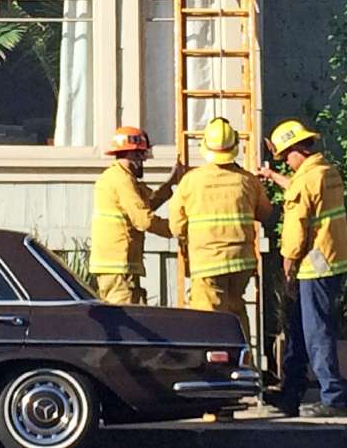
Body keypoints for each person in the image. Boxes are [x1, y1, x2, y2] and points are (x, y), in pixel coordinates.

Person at [257, 119, 347, 418]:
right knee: (298, 331)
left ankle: (333, 399)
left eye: (286, 157)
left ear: (297, 150)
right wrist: (273, 176)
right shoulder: (325, 171)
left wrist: (287, 268)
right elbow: (301, 191)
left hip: (313, 267)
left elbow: (295, 235)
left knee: (315, 333)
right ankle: (290, 394)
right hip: (332, 263)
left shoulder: (305, 180)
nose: (285, 162)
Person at [169, 118, 272, 341]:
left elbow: (176, 225)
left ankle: (214, 371)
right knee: (236, 313)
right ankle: (244, 365)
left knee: (208, 320)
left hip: (207, 264)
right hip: (241, 263)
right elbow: (264, 213)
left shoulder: (191, 181)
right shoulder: (248, 180)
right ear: (234, 146)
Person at [89, 126, 186, 304]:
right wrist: (178, 228)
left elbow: (147, 203)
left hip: (117, 266)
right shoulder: (122, 181)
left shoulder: (119, 178)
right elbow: (143, 219)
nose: (144, 161)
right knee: (126, 319)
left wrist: (171, 183)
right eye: (142, 156)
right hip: (119, 267)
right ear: (133, 155)